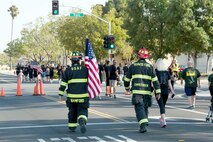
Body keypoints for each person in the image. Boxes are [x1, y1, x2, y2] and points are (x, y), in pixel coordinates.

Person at [124, 47, 161, 133]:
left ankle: (143, 125)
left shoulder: (133, 66)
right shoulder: (150, 67)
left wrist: (127, 88)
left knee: (139, 108)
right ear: (146, 57)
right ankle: (145, 120)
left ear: (138, 56)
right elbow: (155, 81)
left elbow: (126, 79)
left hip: (137, 92)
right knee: (145, 107)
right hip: (147, 92)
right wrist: (158, 92)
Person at [58, 51, 89, 134]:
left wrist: (60, 94)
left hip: (71, 97)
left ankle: (72, 127)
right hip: (83, 96)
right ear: (80, 59)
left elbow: (63, 83)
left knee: (72, 111)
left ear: (71, 60)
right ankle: (82, 119)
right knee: (83, 110)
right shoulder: (85, 69)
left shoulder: (68, 70)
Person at [155, 58, 175, 128]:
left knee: (161, 106)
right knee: (163, 105)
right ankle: (162, 118)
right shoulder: (167, 72)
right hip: (166, 91)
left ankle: (163, 120)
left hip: (158, 91)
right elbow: (169, 83)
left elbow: (153, 82)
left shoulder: (156, 72)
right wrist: (172, 91)